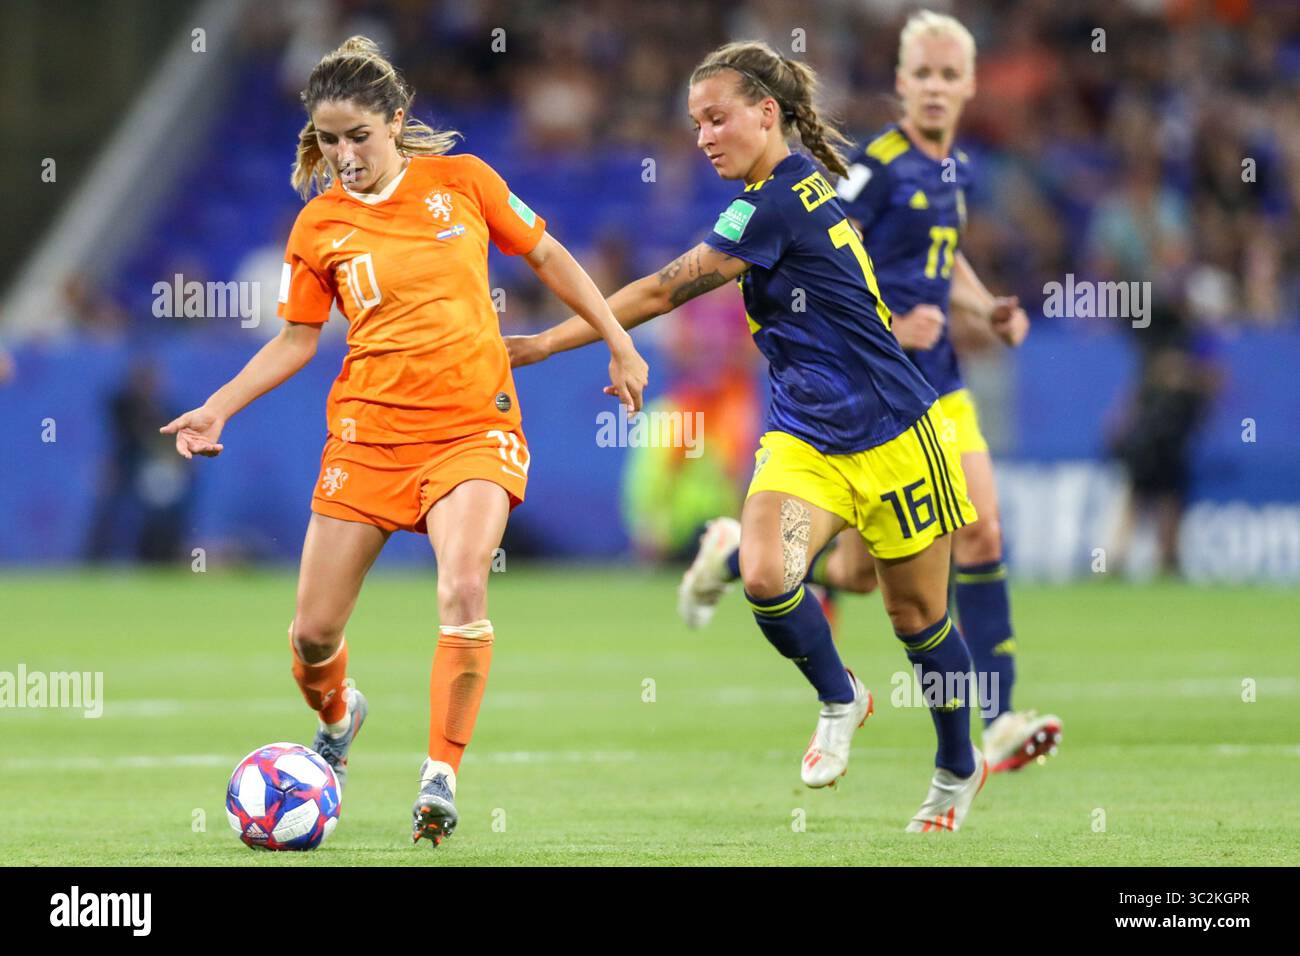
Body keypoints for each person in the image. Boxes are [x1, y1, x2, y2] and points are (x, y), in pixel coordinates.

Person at [161, 36, 648, 848]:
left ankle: (440, 778)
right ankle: (341, 712)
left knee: (463, 585)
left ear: (395, 121)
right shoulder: (318, 226)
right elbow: (294, 340)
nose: (343, 155)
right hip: (368, 439)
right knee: (312, 637)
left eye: (358, 136)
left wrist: (617, 341)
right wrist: (218, 407)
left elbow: (551, 254)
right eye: (327, 139)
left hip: (472, 428)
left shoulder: (464, 183)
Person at [509, 40, 986, 832]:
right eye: (696, 122)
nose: (703, 136)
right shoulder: (772, 193)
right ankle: (842, 696)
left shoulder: (777, 198)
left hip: (896, 432)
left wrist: (542, 342)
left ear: (767, 115)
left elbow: (666, 288)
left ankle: (956, 767)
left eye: (717, 117)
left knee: (914, 618)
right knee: (770, 575)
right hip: (807, 441)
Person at [678, 11, 1062, 775]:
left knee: (957, 544)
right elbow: (826, 256)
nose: (935, 88)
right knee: (898, 562)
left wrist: (982, 308)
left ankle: (995, 718)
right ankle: (984, 721)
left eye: (950, 75)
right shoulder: (872, 170)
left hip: (936, 383)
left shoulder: (956, 169)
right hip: (875, 386)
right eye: (922, 73)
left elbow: (941, 261)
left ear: (970, 86)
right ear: (900, 82)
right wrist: (892, 319)